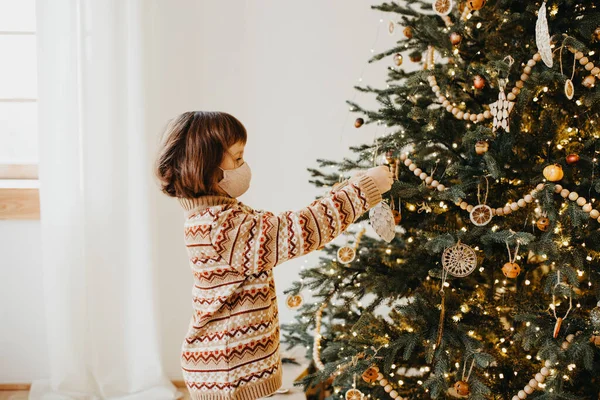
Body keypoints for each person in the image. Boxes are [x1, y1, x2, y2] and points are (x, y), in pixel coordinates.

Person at [154, 111, 393, 400]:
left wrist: (347, 189)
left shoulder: (222, 216)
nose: (245, 165)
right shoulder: (220, 227)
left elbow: (283, 224)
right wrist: (364, 190)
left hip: (233, 365)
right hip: (229, 370)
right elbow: (297, 231)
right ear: (207, 168)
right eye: (238, 158)